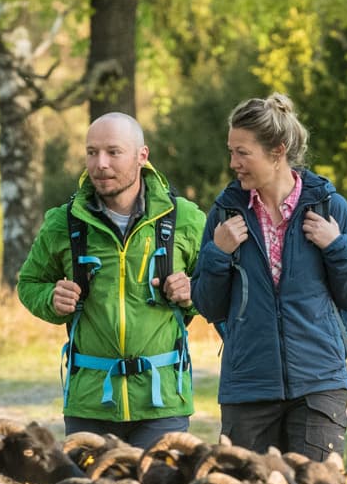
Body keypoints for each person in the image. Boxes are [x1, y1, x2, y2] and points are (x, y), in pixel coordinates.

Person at [189, 93, 347, 462]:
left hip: (320, 384)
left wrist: (335, 246)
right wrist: (216, 254)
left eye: (243, 153)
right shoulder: (225, 213)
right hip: (248, 387)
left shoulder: (329, 206)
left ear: (277, 151)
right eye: (231, 151)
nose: (233, 163)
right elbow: (206, 304)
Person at [15, 113, 205, 445]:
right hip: (90, 402)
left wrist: (193, 292)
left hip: (161, 403)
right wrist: (51, 300)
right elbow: (29, 283)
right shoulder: (64, 222)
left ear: (142, 156)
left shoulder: (184, 218)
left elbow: (219, 284)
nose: (100, 163)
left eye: (113, 152)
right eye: (92, 152)